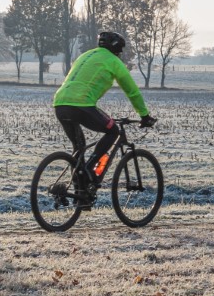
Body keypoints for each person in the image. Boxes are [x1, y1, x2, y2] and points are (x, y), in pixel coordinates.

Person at [53, 32, 156, 198]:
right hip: (82, 105)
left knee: (78, 150)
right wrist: (144, 115)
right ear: (117, 49)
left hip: (60, 104)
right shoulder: (113, 61)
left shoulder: (85, 55)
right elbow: (132, 91)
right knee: (113, 131)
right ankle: (90, 168)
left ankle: (81, 195)